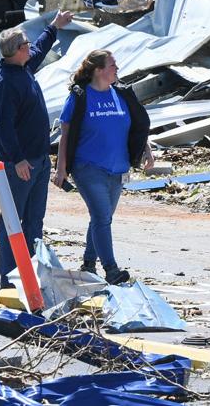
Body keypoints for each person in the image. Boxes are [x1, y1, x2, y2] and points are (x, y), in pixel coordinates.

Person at [53, 49, 153, 286]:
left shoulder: (121, 94)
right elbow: (65, 135)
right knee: (101, 217)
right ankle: (111, 269)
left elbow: (135, 127)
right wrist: (61, 168)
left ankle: (89, 263)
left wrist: (146, 150)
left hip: (117, 168)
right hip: (88, 167)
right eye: (112, 65)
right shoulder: (80, 97)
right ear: (98, 70)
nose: (117, 69)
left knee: (102, 218)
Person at [0, 10, 73, 289]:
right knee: (13, 221)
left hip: (39, 160)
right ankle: (10, 278)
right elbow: (2, 126)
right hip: (21, 164)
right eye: (25, 45)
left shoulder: (23, 67)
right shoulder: (6, 82)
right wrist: (17, 160)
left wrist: (54, 26)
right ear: (15, 52)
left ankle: (32, 274)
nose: (29, 48)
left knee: (35, 219)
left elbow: (39, 49)